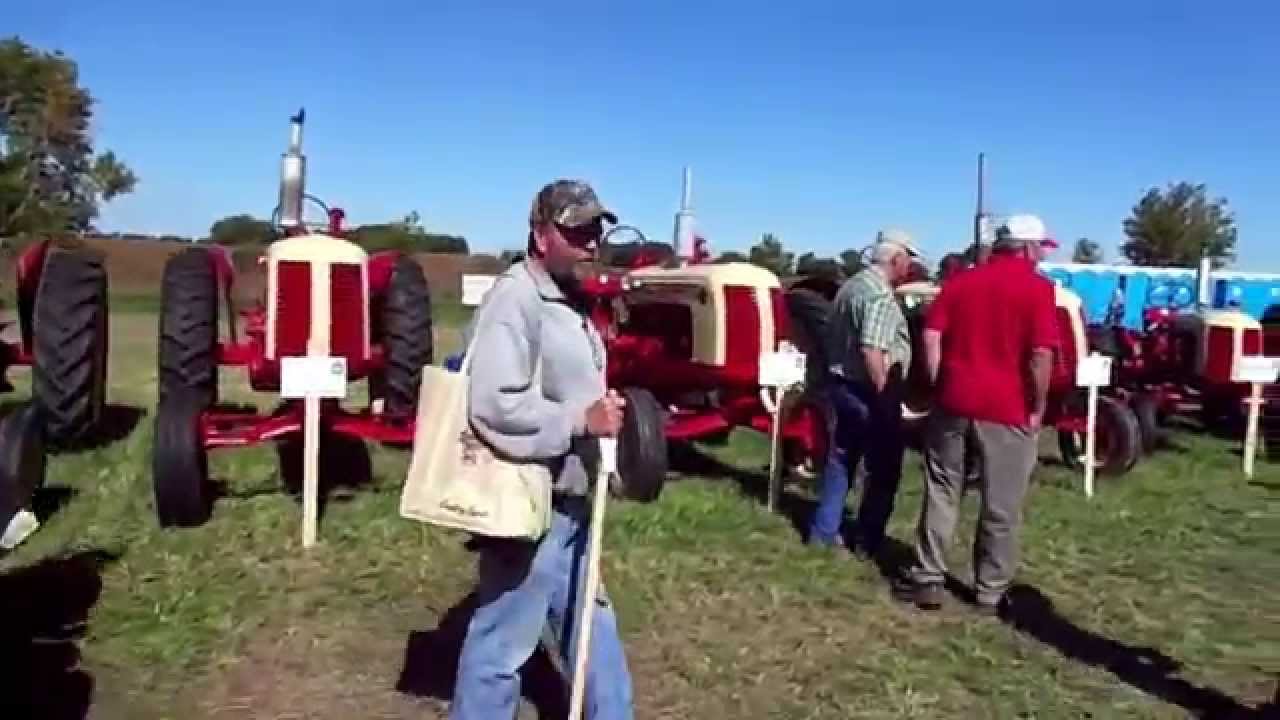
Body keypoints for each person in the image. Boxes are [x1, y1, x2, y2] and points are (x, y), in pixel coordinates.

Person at [450, 179, 634, 719]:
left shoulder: (567, 299)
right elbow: (493, 403)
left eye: (596, 230)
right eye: (576, 232)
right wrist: (580, 419)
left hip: (572, 498)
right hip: (531, 503)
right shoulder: (517, 299)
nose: (590, 242)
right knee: (502, 643)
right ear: (541, 235)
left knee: (592, 623)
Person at [897, 214, 1059, 615]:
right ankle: (989, 590)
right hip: (1007, 407)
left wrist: (940, 380)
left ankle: (928, 576)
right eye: (1041, 248)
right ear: (1027, 248)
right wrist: (1038, 406)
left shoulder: (961, 282)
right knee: (1001, 504)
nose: (1043, 255)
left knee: (942, 489)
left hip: (954, 400)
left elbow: (931, 335)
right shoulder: (1038, 289)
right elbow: (1041, 354)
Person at [808, 229, 924, 557]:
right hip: (867, 390)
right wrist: (887, 399)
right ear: (896, 259)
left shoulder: (851, 287)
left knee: (841, 460)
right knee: (884, 467)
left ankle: (823, 531)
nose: (910, 266)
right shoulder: (879, 297)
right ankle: (868, 540)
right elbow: (873, 351)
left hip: (841, 384)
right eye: (909, 259)